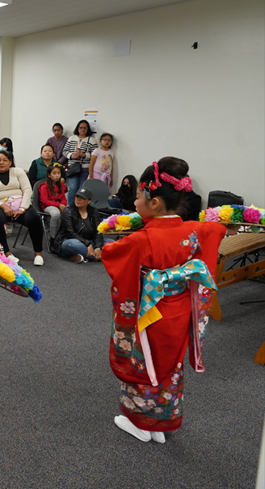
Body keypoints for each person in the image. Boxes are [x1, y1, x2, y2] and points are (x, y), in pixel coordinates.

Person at [102, 157, 225, 444]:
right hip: (179, 311)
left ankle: (140, 424)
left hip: (149, 315)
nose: (134, 203)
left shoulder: (140, 241)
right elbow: (215, 230)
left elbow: (113, 254)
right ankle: (160, 424)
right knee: (169, 365)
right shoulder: (193, 230)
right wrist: (226, 227)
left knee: (143, 364)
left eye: (138, 197)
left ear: (154, 202)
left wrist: (100, 251)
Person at [0, 150, 45, 266]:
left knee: (34, 217)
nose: (1, 163)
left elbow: (27, 190)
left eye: (5, 160)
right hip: (0, 206)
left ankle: (38, 253)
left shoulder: (18, 172)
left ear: (10, 162)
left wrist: (22, 208)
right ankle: (6, 253)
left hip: (20, 205)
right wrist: (3, 206)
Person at [51, 187, 102, 263]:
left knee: (110, 242)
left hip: (90, 241)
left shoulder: (94, 211)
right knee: (73, 245)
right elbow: (70, 233)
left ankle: (83, 256)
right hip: (68, 241)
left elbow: (99, 231)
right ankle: (98, 256)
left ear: (89, 201)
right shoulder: (68, 211)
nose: (78, 199)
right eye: (77, 196)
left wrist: (98, 247)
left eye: (82, 198)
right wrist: (87, 244)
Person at [62, 119, 98, 204]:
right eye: (81, 127)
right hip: (73, 167)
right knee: (73, 188)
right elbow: (64, 151)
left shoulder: (92, 140)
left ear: (87, 129)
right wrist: (71, 155)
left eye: (85, 128)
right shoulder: (71, 138)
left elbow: (95, 155)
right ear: (77, 128)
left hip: (85, 168)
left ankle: (80, 207)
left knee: (82, 189)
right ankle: (70, 208)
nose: (82, 130)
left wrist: (84, 155)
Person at [38, 163, 68, 238]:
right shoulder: (44, 186)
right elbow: (45, 201)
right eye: (54, 173)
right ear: (49, 175)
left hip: (59, 206)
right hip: (47, 206)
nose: (57, 175)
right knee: (56, 214)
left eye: (59, 173)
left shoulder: (61, 185)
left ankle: (63, 236)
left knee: (71, 212)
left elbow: (63, 198)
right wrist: (59, 205)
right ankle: (53, 237)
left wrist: (63, 206)